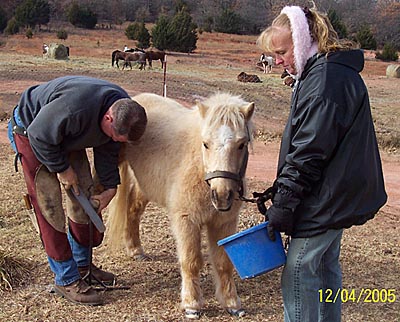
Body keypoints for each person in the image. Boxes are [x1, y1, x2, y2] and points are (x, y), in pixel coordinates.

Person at [256, 5, 387, 322]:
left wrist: (284, 203)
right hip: (336, 192)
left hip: (327, 196)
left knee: (299, 270)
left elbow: (310, 150)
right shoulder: (324, 72)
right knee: (326, 266)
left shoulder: (325, 79)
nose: (278, 61)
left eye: (282, 51)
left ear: (303, 40)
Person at [7, 75, 147, 306]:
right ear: (108, 117)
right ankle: (66, 278)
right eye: (113, 135)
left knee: (83, 201)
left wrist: (110, 188)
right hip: (32, 132)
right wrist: (62, 169)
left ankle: (82, 267)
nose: (113, 139)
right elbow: (39, 135)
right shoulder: (74, 109)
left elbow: (108, 148)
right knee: (49, 208)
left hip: (66, 135)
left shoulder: (124, 109)